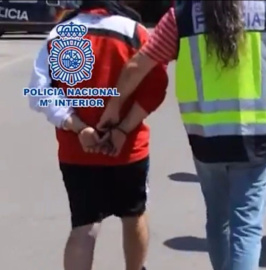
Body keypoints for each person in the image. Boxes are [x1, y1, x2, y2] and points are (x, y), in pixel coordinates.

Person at [97, 1, 266, 269]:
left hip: (206, 138)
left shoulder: (182, 15)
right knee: (247, 227)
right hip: (257, 138)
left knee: (218, 219)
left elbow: (138, 65)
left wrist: (114, 106)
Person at [27, 1, 168, 269]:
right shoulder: (134, 31)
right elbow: (156, 85)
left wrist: (79, 127)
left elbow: (39, 91)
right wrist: (124, 128)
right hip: (126, 149)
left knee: (84, 225)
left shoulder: (60, 33)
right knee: (134, 214)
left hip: (77, 150)